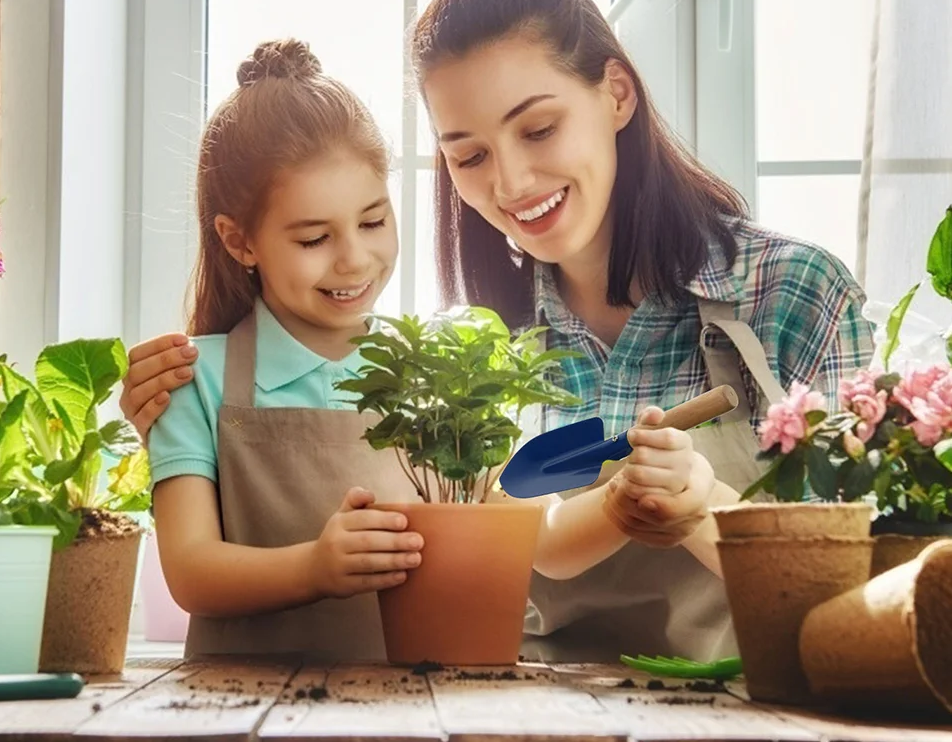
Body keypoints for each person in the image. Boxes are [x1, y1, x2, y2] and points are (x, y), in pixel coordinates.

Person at [123, 0, 875, 662]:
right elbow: (527, 540)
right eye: (470, 155)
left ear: (616, 93)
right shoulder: (470, 354)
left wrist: (703, 507)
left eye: (539, 128)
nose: (511, 183)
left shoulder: (792, 296)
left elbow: (856, 591)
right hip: (519, 714)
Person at [144, 35, 714, 663]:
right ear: (239, 241)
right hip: (236, 710)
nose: (355, 259)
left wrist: (620, 500)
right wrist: (314, 567)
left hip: (406, 712)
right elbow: (193, 572)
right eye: (313, 238)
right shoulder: (194, 382)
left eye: (372, 222)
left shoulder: (435, 376)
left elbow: (543, 541)